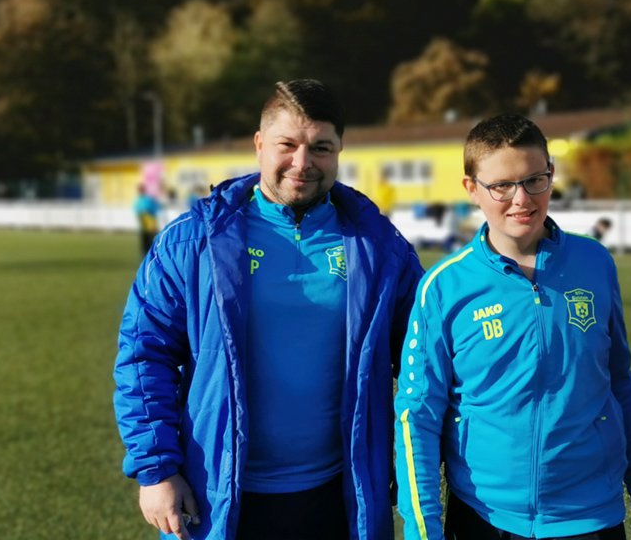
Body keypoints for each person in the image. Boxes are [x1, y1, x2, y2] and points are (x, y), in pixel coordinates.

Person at [113, 79, 424, 540]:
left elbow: (425, 358)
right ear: (260, 145)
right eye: (288, 144)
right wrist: (156, 470)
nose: (303, 163)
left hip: (341, 495)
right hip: (220, 494)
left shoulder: (380, 249)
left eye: (321, 147)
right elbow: (145, 355)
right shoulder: (192, 242)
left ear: (339, 151)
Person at [394, 114, 631, 540]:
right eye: (501, 185)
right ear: (472, 189)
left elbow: (618, 383)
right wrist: (421, 528)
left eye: (534, 180)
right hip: (484, 518)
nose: (521, 199)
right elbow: (418, 416)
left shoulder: (594, 264)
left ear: (551, 176)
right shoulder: (444, 287)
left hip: (591, 517)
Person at [133, 183, 162, 256]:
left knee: (151, 239)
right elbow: (137, 211)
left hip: (150, 223)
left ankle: (152, 253)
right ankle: (145, 255)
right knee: (144, 241)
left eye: (141, 189)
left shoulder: (148, 199)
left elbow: (155, 209)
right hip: (143, 224)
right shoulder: (139, 200)